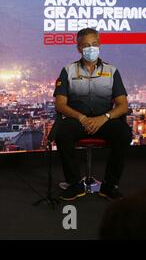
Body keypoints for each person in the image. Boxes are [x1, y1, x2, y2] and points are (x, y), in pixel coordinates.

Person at [53, 27, 132, 201]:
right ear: (79, 48)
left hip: (104, 119)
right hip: (77, 119)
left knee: (124, 134)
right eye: (87, 45)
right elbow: (60, 104)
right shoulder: (68, 71)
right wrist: (81, 117)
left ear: (100, 45)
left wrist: (104, 118)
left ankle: (110, 185)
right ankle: (74, 184)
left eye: (95, 44)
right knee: (63, 133)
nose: (91, 48)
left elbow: (122, 105)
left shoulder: (112, 71)